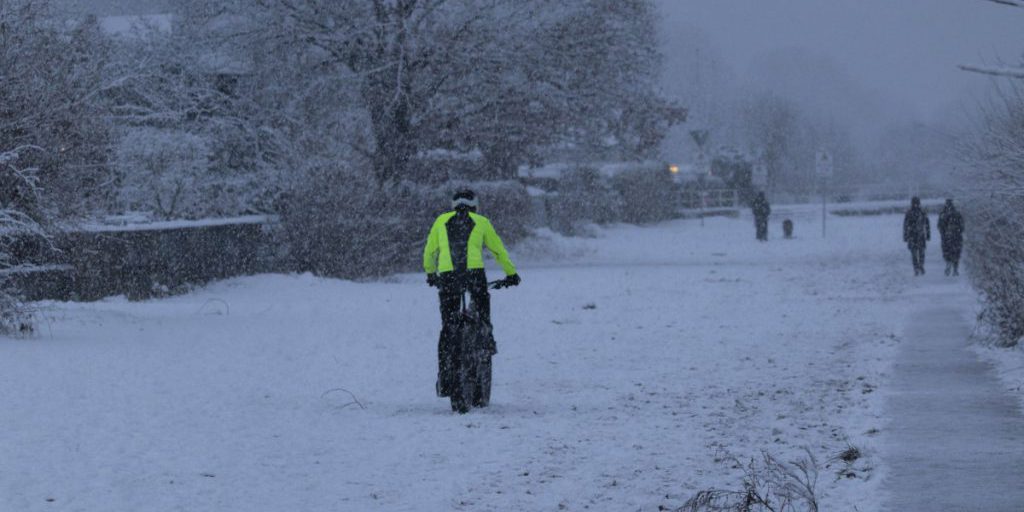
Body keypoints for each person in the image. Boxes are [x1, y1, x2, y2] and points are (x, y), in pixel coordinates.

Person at [423, 189, 520, 397]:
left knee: (448, 326)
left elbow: (430, 251)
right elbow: (498, 250)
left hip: (448, 276)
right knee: (482, 306)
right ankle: (486, 339)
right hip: (474, 274)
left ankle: (445, 373)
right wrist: (511, 274)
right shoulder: (482, 221)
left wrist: (431, 274)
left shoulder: (441, 221)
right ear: (475, 205)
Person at [903, 196, 931, 276]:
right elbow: (927, 225)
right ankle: (920, 266)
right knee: (921, 253)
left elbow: (905, 226)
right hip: (920, 235)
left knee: (914, 254)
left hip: (912, 236)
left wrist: (905, 236)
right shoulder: (922, 212)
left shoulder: (909, 213)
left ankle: (916, 268)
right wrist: (928, 235)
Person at [938, 198, 964, 276]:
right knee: (956, 252)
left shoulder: (942, 214)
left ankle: (948, 263)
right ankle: (955, 268)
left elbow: (940, 226)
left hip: (946, 238)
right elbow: (962, 226)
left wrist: (944, 233)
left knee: (947, 252)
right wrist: (958, 232)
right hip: (956, 237)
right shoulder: (957, 214)